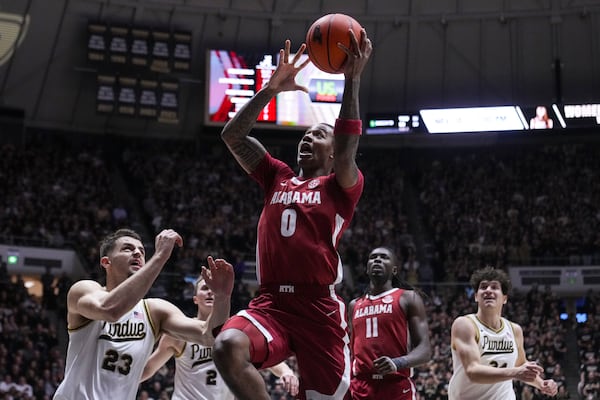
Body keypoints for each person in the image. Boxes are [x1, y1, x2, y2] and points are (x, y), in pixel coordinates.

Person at [213, 28, 373, 400]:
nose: (307, 138)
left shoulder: (342, 184)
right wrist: (269, 91)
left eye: (319, 134)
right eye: (306, 134)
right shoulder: (276, 175)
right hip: (270, 303)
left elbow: (349, 147)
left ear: (333, 154)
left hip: (319, 309)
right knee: (226, 347)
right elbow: (232, 137)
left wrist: (352, 79)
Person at [53, 228, 234, 400]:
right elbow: (109, 310)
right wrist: (160, 256)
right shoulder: (85, 290)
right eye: (127, 249)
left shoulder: (155, 311)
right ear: (106, 262)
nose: (138, 253)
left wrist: (223, 297)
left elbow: (209, 336)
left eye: (141, 250)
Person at [141, 276, 299, 399]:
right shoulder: (180, 333)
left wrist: (287, 372)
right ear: (195, 299)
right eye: (204, 288)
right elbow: (148, 368)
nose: (210, 292)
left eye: (213, 288)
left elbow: (270, 359)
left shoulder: (235, 332)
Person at [448, 266, 558, 399]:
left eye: (494, 287)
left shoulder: (514, 330)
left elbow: (520, 365)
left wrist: (541, 384)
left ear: (504, 298)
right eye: (483, 287)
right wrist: (515, 372)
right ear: (476, 296)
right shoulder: (465, 324)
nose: (488, 290)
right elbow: (473, 371)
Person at [347, 246, 432, 399]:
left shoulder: (408, 298)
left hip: (396, 386)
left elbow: (425, 350)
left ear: (394, 270)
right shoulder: (354, 305)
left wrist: (397, 363)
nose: (377, 259)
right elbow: (352, 351)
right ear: (367, 269)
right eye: (373, 257)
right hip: (361, 387)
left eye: (384, 257)